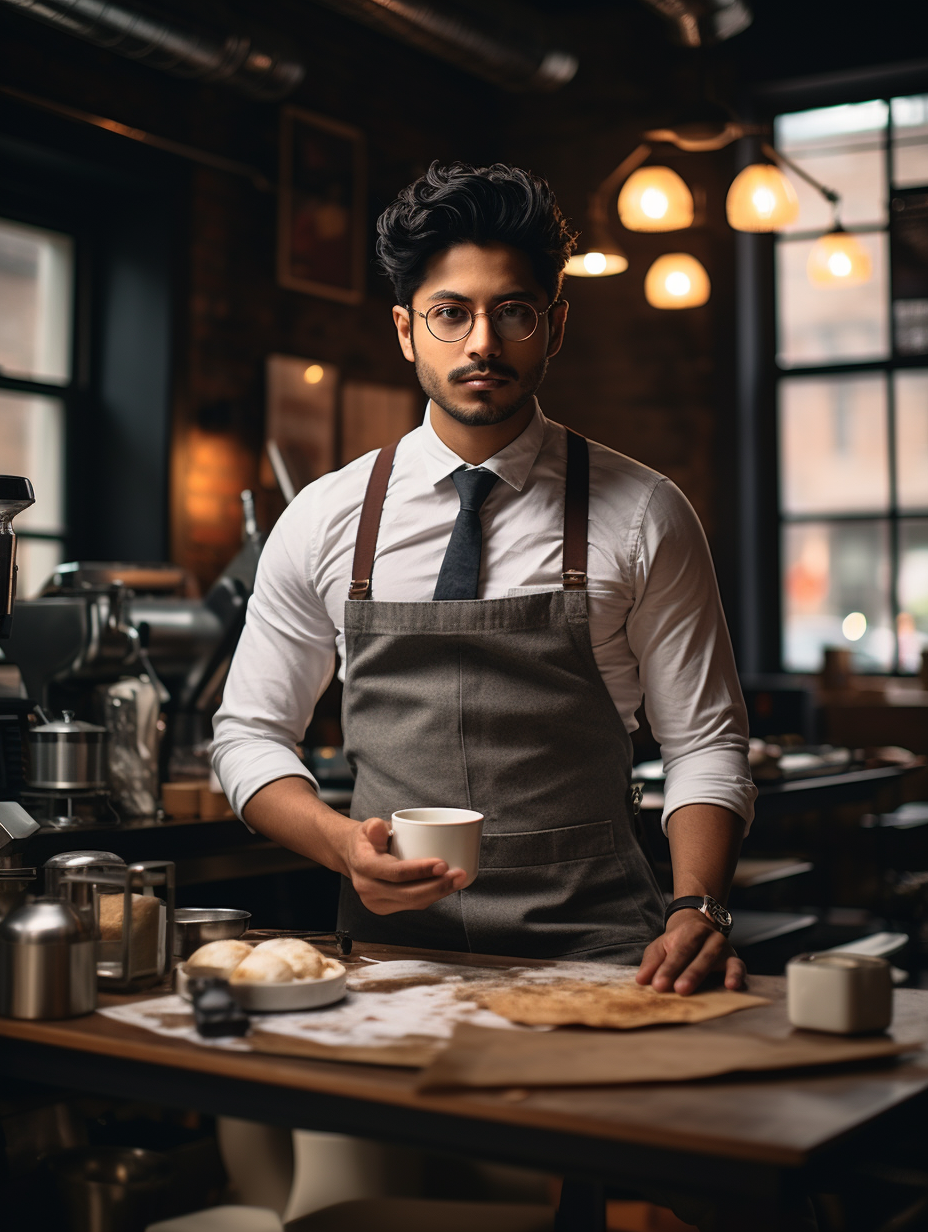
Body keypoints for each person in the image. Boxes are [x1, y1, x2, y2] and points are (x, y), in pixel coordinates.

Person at [212, 161, 757, 995]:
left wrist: (699, 906)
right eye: (449, 313)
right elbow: (247, 734)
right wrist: (337, 845)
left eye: (514, 312)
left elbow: (705, 744)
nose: (482, 344)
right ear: (405, 329)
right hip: (391, 960)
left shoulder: (647, 513)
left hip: (604, 954)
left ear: (556, 326)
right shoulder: (324, 518)